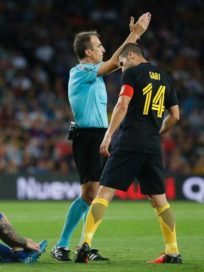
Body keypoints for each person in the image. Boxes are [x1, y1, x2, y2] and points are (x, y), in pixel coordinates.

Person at [51, 13, 151, 262]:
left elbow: (117, 62)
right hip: (87, 136)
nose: (103, 48)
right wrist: (135, 34)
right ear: (87, 52)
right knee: (90, 194)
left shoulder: (93, 73)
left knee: (93, 194)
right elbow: (116, 62)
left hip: (99, 135)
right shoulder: (81, 71)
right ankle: (63, 245)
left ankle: (84, 245)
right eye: (98, 46)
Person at [75, 43, 182, 264]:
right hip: (152, 144)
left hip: (130, 140)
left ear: (131, 56)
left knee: (104, 193)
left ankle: (84, 246)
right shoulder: (165, 77)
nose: (122, 69)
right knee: (160, 200)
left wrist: (108, 135)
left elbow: (122, 104)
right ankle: (173, 252)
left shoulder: (133, 73)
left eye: (122, 64)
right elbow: (175, 116)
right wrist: (158, 132)